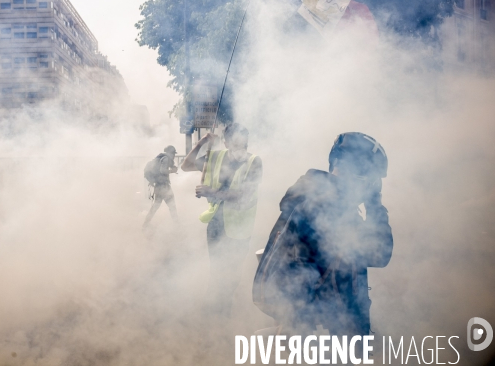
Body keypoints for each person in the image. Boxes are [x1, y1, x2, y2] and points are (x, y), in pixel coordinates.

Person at [253, 132, 393, 341]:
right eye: (371, 178)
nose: (372, 186)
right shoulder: (330, 207)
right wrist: (375, 205)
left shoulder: (311, 195)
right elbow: (380, 254)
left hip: (305, 320)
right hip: (321, 328)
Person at [182, 123, 263, 317]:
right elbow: (186, 166)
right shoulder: (216, 157)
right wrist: (202, 142)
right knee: (218, 270)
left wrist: (212, 191)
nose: (235, 144)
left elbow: (245, 195)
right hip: (216, 223)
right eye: (231, 140)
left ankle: (220, 310)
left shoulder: (254, 161)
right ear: (226, 142)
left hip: (239, 227)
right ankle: (216, 311)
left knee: (231, 272)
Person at [142, 145, 179, 230]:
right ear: (171, 153)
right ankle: (177, 225)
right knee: (172, 206)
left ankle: (146, 223)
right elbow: (163, 171)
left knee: (156, 206)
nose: (174, 155)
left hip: (159, 186)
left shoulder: (161, 158)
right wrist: (172, 171)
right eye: (173, 153)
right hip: (164, 187)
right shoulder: (165, 159)